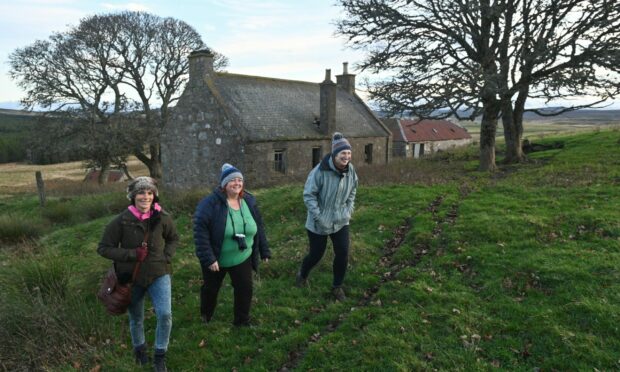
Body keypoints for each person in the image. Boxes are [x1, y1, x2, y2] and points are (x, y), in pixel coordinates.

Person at [97, 177, 179, 372]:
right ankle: (140, 351)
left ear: (154, 196)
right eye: (141, 192)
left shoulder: (162, 217)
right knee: (136, 318)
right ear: (133, 196)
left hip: (159, 273)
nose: (146, 196)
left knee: (165, 314)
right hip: (131, 279)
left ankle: (160, 355)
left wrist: (166, 257)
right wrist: (131, 254)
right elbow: (103, 248)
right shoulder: (121, 221)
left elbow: (173, 238)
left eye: (150, 193)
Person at [194, 163, 271, 326]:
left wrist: (264, 250)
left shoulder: (249, 200)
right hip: (217, 257)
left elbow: (258, 227)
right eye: (232, 180)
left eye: (239, 180)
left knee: (245, 289)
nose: (237, 183)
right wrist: (209, 259)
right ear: (224, 184)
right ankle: (206, 316)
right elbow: (200, 234)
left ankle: (241, 321)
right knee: (211, 289)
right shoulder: (209, 204)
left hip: (242, 255)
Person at [296, 132, 358, 301]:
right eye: (342, 153)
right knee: (316, 254)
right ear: (334, 154)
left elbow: (353, 190)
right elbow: (309, 196)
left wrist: (348, 210)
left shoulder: (350, 170)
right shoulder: (319, 172)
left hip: (340, 220)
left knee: (343, 253)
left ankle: (337, 287)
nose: (346, 157)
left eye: (348, 153)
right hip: (319, 222)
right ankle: (302, 274)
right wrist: (319, 217)